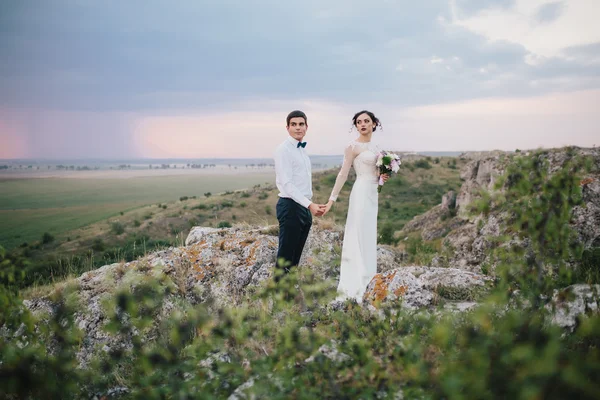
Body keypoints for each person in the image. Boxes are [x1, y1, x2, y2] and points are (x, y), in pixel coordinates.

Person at [322, 110, 389, 303]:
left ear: (374, 124)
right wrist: (331, 199)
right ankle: (355, 284)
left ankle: (369, 279)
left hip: (372, 193)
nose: (363, 124)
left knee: (368, 234)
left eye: (366, 121)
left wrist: (383, 176)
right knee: (358, 233)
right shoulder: (352, 147)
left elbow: (376, 172)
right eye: (359, 122)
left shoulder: (377, 146)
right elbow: (343, 174)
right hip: (360, 192)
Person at [273, 110, 325, 281]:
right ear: (287, 127)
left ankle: (288, 299)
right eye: (293, 124)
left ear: (306, 127)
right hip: (290, 207)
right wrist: (309, 205)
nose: (298, 128)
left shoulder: (302, 151)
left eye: (301, 124)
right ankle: (277, 300)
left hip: (303, 207)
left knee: (295, 260)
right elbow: (287, 184)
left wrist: (308, 205)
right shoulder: (283, 150)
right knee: (285, 259)